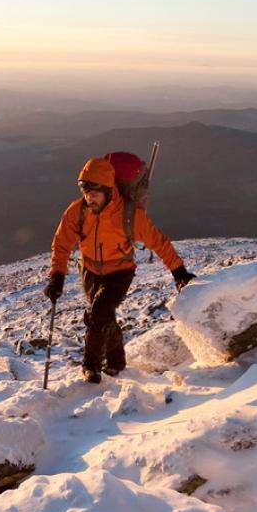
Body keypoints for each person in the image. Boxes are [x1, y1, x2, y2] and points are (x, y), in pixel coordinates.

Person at [44, 153, 195, 383]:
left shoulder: (129, 214)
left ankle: (91, 366)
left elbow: (158, 241)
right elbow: (62, 244)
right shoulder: (77, 211)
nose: (89, 198)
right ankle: (116, 361)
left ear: (107, 190)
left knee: (98, 313)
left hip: (120, 271)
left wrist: (179, 272)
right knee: (104, 315)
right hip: (90, 270)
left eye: (94, 194)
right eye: (86, 193)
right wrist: (56, 276)